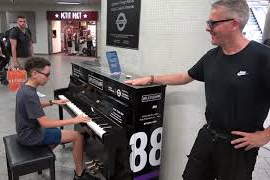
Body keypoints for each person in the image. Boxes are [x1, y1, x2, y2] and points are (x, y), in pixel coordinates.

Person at [125, 0, 270, 179]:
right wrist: (152, 79)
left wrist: (265, 136)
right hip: (208, 136)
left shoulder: (263, 57)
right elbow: (185, 77)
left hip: (238, 147)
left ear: (234, 24)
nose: (207, 28)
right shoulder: (211, 57)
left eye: (213, 23)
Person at [15, 56, 100, 180]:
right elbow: (45, 123)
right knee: (77, 136)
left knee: (58, 135)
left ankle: (43, 157)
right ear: (34, 74)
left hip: (25, 132)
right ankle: (80, 174)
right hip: (31, 135)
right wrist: (74, 120)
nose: (48, 78)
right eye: (47, 74)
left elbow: (33, 106)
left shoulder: (25, 87)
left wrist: (52, 102)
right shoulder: (30, 95)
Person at [10, 16, 45, 98]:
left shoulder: (28, 30)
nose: (22, 23)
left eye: (24, 21)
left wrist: (33, 56)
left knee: (32, 76)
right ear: (17, 22)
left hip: (28, 57)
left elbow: (30, 44)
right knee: (22, 78)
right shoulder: (14, 32)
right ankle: (23, 94)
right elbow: (13, 47)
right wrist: (15, 61)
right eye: (20, 21)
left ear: (26, 22)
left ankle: (33, 92)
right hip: (19, 58)